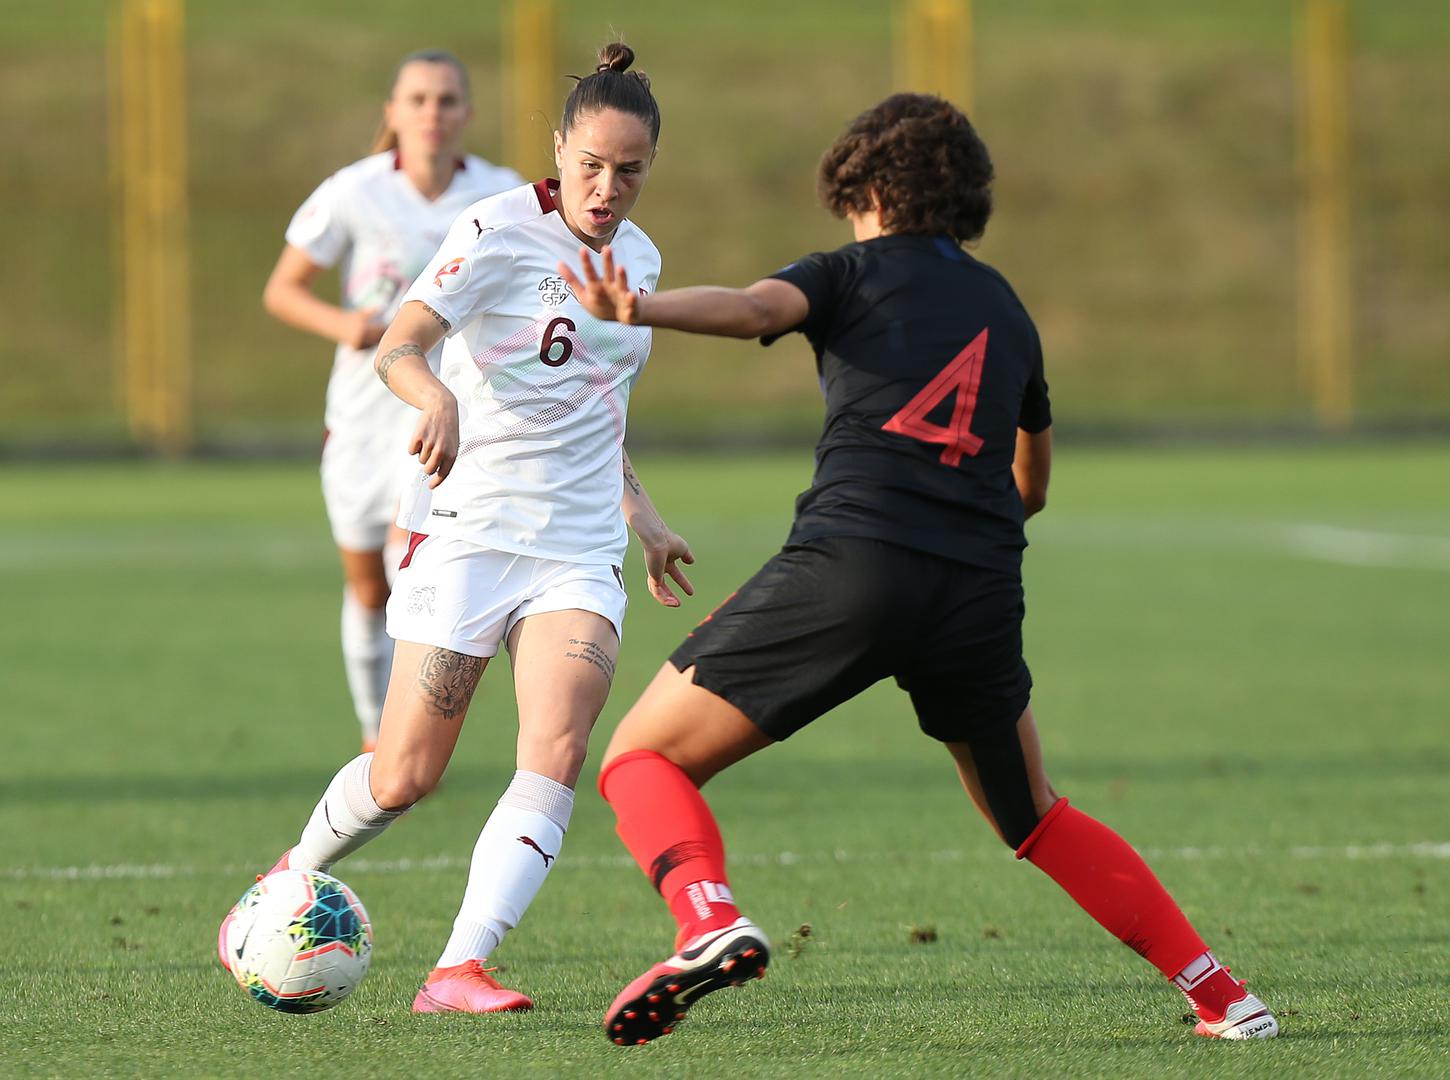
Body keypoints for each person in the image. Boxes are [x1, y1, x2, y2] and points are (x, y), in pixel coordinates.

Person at [559, 92, 1280, 1045]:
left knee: (640, 759)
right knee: (1033, 816)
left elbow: (753, 309)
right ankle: (1224, 995)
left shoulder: (847, 271)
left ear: (860, 185)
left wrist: (640, 306)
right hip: (978, 588)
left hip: (855, 565)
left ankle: (707, 920)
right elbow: (1032, 484)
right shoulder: (1006, 308)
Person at [224, 42, 693, 1014]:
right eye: (591, 165)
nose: (607, 189)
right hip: (469, 531)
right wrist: (433, 395)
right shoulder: (493, 231)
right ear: (558, 148)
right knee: (405, 776)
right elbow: (399, 344)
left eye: (631, 170)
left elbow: (598, 412)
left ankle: (458, 969)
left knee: (557, 748)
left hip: (576, 548)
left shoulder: (640, 261)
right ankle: (288, 877)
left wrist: (643, 518)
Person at [263, 51, 523, 752]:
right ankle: (371, 731)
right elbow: (282, 288)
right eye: (418, 99)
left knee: (410, 575)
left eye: (447, 99)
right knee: (368, 590)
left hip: (447, 413)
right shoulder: (355, 191)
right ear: (393, 112)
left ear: (467, 113)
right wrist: (345, 325)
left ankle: (400, 741)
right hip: (360, 418)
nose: (433, 113)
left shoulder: (499, 195)